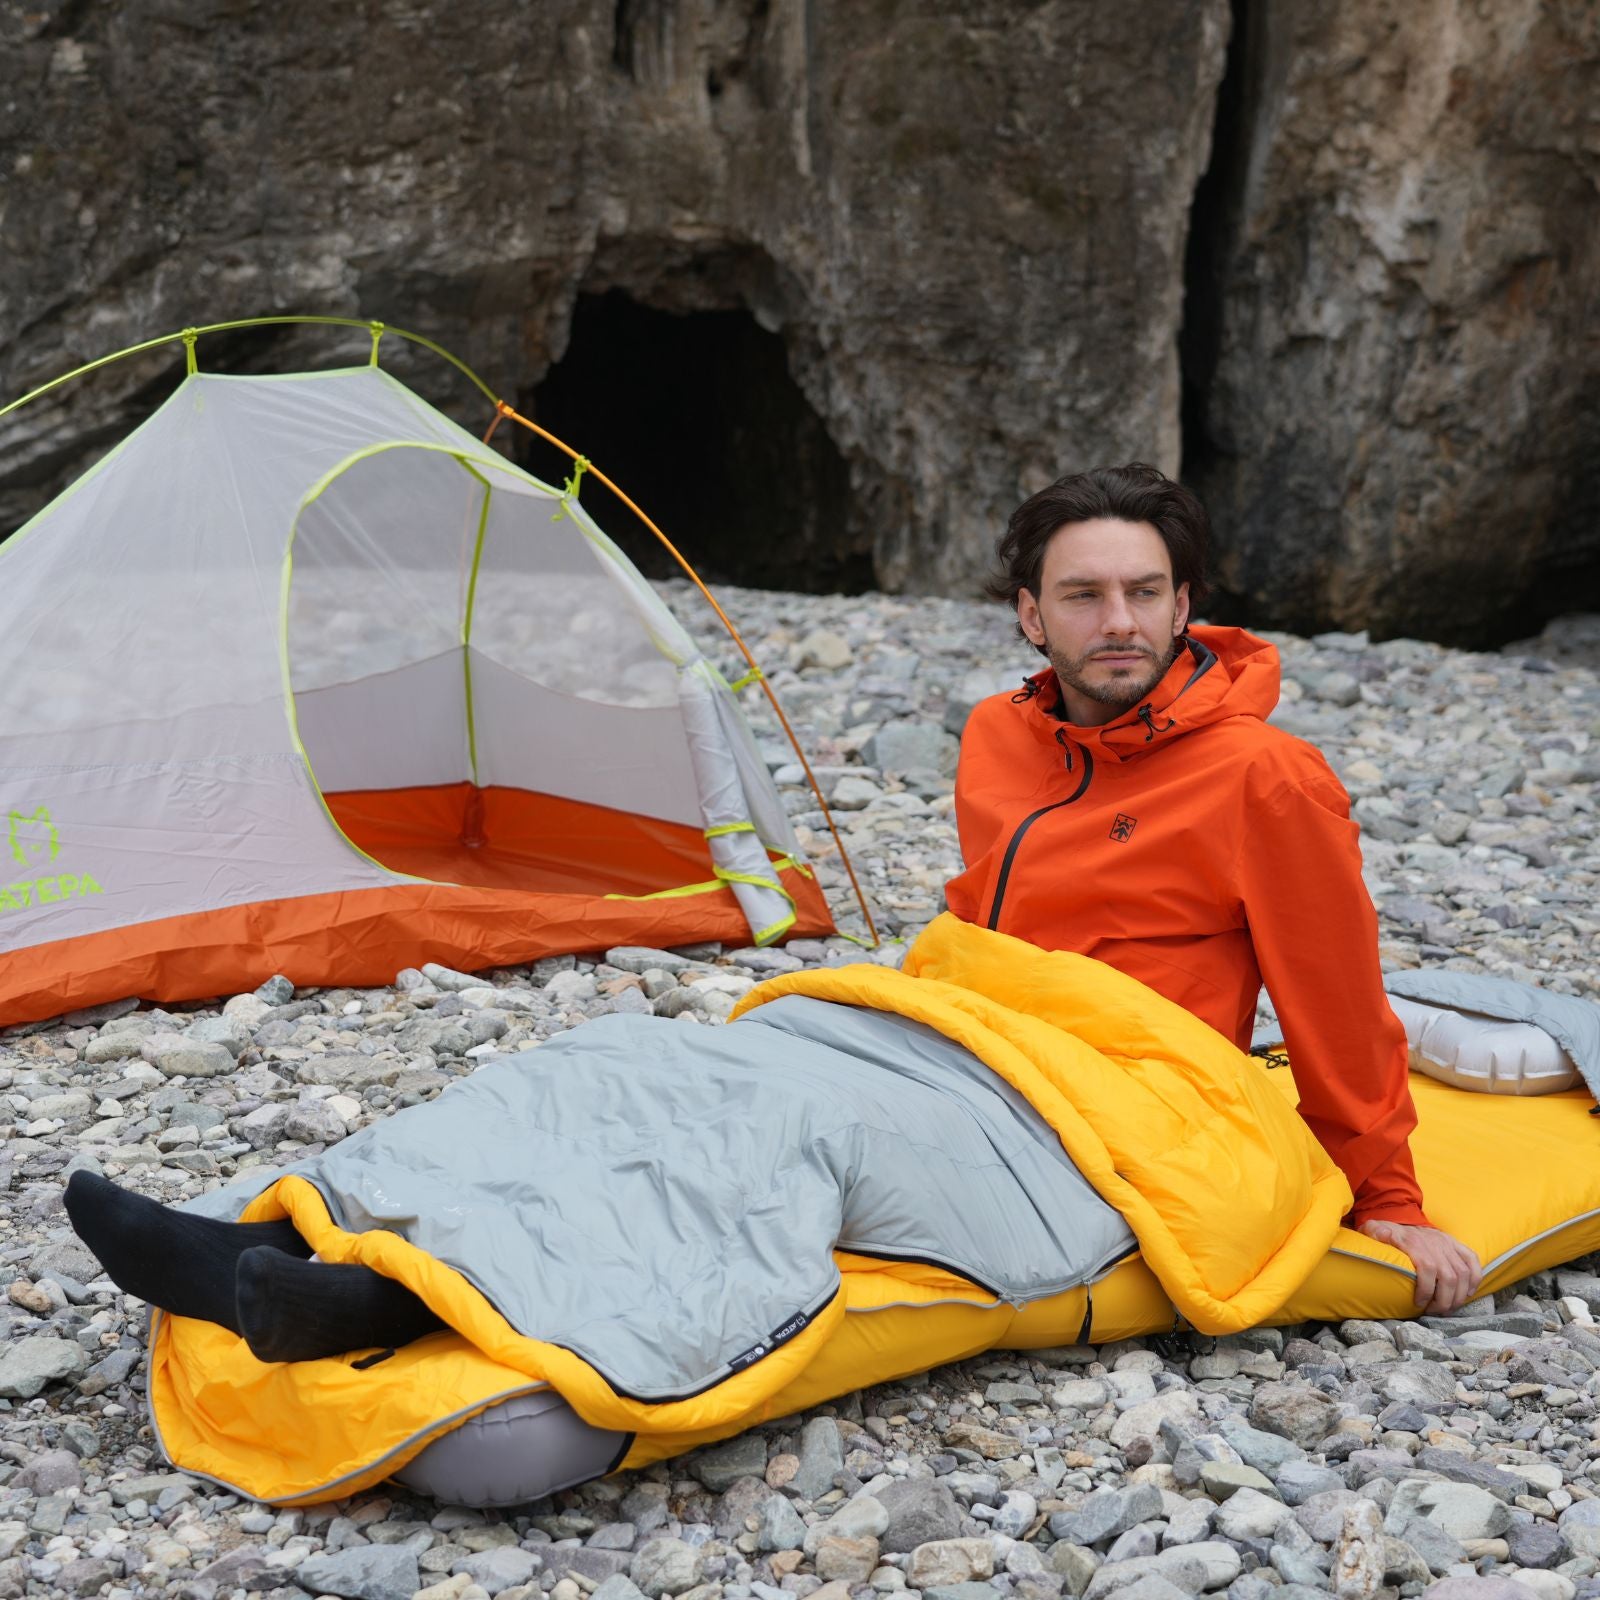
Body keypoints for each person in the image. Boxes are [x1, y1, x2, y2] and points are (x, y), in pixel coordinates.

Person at [945, 462, 1483, 1314]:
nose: (1119, 622)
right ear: (1030, 615)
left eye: (1145, 592)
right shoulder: (996, 736)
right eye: (1082, 595)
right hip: (975, 1063)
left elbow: (1336, 1003)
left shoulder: (1262, 778)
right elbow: (975, 926)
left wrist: (1387, 1202)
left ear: (1183, 606)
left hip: (1131, 1115)